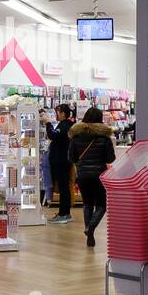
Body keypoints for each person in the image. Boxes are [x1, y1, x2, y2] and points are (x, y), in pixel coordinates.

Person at [69, 106, 116, 247]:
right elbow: (110, 158)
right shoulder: (104, 137)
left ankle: (89, 231)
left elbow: (71, 158)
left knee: (87, 204)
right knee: (101, 205)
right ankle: (91, 228)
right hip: (99, 175)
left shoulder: (75, 136)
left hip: (82, 175)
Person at [46, 104, 75, 223]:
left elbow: (52, 135)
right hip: (63, 160)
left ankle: (64, 214)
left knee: (63, 188)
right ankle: (64, 213)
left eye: (57, 112)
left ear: (63, 113)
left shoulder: (64, 125)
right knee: (64, 187)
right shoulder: (66, 125)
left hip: (61, 161)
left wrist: (48, 123)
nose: (56, 115)